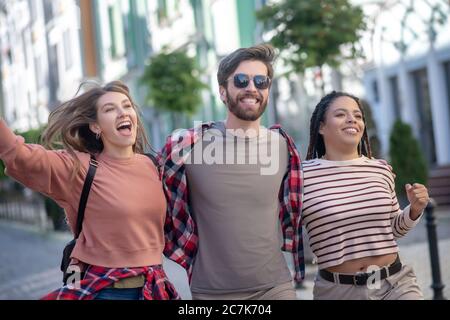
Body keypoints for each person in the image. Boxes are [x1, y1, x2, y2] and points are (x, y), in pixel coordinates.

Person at [0, 81, 180, 300]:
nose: (122, 113)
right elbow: (21, 157)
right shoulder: (79, 167)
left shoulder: (154, 165)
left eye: (126, 106)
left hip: (154, 288)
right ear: (96, 126)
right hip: (105, 291)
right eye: (110, 109)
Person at [161, 44, 304, 300]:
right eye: (241, 80)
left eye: (261, 81)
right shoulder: (187, 146)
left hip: (275, 288)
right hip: (211, 293)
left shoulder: (283, 146)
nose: (252, 88)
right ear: (223, 92)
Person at [302, 91, 428, 300]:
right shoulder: (302, 176)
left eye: (358, 116)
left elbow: (394, 229)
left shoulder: (380, 169)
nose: (352, 119)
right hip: (338, 291)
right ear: (321, 127)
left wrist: (414, 209)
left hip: (395, 284)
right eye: (341, 114)